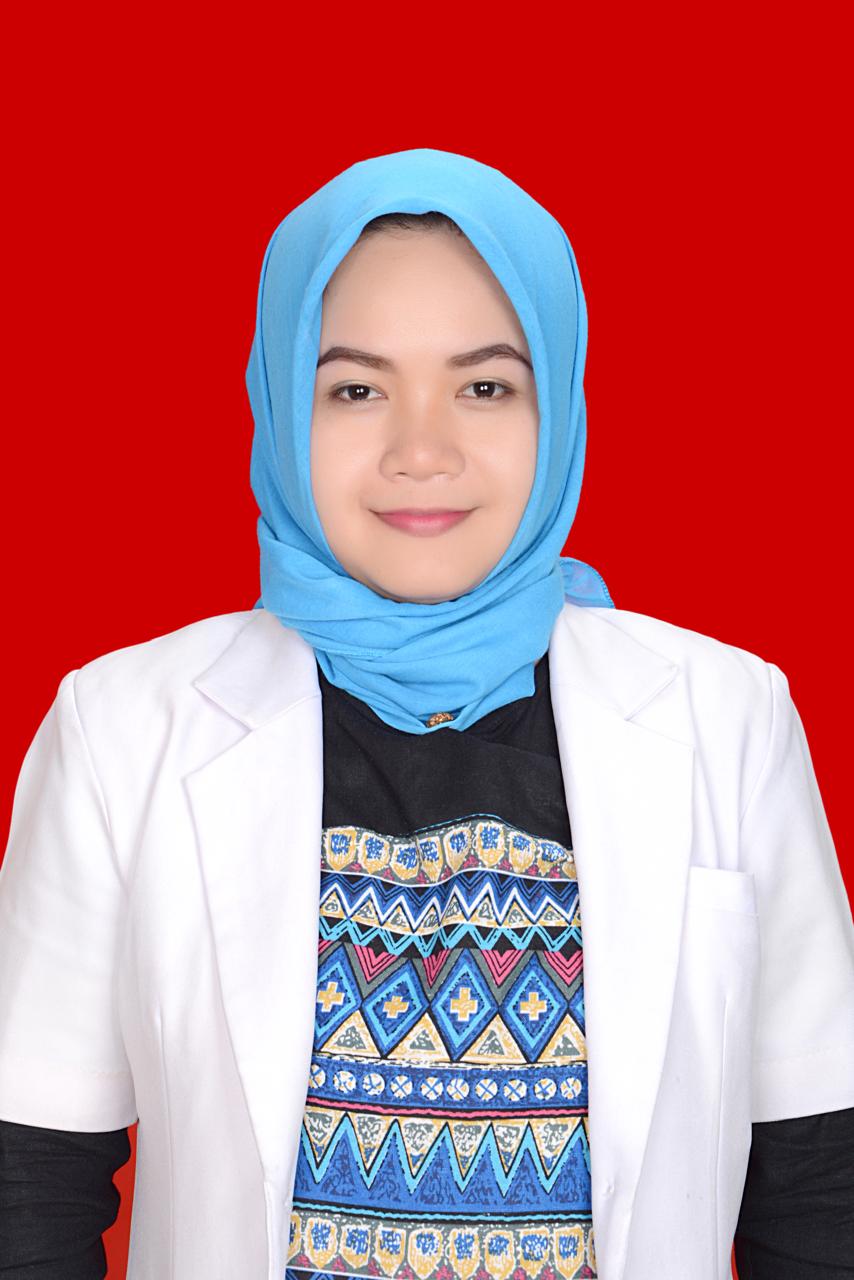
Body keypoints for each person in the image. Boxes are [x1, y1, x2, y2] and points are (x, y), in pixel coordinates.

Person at [0, 148, 852, 1280]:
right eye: (355, 389)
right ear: (277, 402)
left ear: (559, 402)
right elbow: (30, 1187)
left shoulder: (728, 718)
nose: (421, 451)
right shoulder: (118, 729)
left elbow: (819, 1185)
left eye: (484, 386)